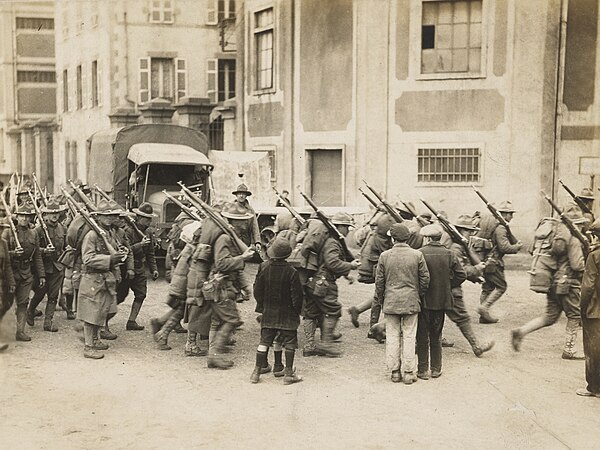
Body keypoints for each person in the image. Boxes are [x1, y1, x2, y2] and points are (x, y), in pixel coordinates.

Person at [511, 207, 587, 359]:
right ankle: (569, 350)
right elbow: (577, 265)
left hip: (552, 282)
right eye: (580, 224)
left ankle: (521, 331)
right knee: (574, 316)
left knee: (549, 317)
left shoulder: (557, 236)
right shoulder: (573, 239)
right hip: (569, 284)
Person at [375, 223, 430, 384]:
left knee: (392, 337)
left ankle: (394, 372)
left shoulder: (385, 256)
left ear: (393, 238)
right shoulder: (417, 255)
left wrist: (381, 299)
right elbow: (425, 279)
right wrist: (417, 294)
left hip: (391, 302)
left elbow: (379, 282)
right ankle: (408, 372)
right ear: (407, 237)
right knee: (409, 336)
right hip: (411, 301)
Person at [302, 212, 359, 358]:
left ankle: (309, 346)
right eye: (347, 227)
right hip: (325, 282)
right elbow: (332, 263)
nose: (348, 231)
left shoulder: (328, 239)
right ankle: (326, 344)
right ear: (340, 227)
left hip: (314, 280)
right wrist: (350, 266)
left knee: (312, 311)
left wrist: (346, 274)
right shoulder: (333, 242)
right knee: (333, 309)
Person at [250, 237, 304, 384]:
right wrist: (296, 311)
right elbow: (297, 296)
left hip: (269, 313)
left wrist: (263, 306)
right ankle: (288, 374)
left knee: (264, 342)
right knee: (290, 342)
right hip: (287, 315)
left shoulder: (264, 267)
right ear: (287, 254)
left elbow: (257, 290)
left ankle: (256, 372)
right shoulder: (292, 271)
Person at [77, 200, 126, 359]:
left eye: (112, 216)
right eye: (107, 216)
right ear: (98, 217)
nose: (111, 219)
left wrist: (117, 261)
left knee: (103, 310)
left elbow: (115, 251)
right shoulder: (92, 235)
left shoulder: (109, 233)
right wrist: (110, 259)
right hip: (92, 278)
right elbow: (88, 259)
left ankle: (96, 339)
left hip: (105, 278)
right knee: (91, 313)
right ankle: (88, 346)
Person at [417, 224, 466, 380]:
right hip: (442, 300)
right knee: (436, 335)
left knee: (422, 335)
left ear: (427, 238)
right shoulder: (450, 254)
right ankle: (436, 369)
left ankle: (423, 370)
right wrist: (447, 285)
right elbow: (461, 275)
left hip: (424, 300)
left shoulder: (419, 253)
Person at [446, 215, 494, 357]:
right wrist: (477, 269)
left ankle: (380, 328)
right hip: (451, 289)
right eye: (468, 231)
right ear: (460, 230)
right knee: (462, 318)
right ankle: (476, 346)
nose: (471, 234)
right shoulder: (456, 247)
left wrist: (474, 277)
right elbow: (460, 270)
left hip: (446, 287)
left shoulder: (458, 245)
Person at [1, 204, 45, 342]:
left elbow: (37, 255)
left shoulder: (34, 233)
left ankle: (20, 331)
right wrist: (14, 253)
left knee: (23, 302)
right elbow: (2, 254)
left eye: (27, 216)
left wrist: (42, 274)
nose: (24, 219)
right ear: (17, 217)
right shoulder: (8, 233)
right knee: (7, 303)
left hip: (26, 273)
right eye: (22, 216)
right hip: (10, 272)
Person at [477, 201, 523, 323]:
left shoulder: (494, 225)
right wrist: (517, 247)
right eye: (510, 214)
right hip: (494, 262)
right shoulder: (501, 228)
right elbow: (504, 247)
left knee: (487, 287)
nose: (512, 217)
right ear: (505, 214)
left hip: (486, 260)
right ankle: (484, 308)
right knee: (502, 286)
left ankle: (484, 317)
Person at [27, 200, 68, 332]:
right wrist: (44, 250)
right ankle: (30, 311)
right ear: (46, 214)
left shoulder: (63, 229)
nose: (54, 215)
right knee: (40, 293)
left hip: (58, 267)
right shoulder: (38, 230)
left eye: (56, 213)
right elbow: (32, 249)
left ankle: (48, 322)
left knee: (53, 295)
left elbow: (66, 247)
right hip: (43, 267)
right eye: (51, 213)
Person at [116, 202, 159, 331]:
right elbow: (126, 251)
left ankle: (131, 321)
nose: (148, 221)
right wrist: (140, 244)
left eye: (149, 218)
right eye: (146, 218)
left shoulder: (149, 232)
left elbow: (150, 252)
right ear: (139, 217)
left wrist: (154, 269)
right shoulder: (128, 231)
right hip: (127, 268)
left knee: (141, 294)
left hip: (140, 267)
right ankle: (103, 321)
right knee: (119, 295)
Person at [577, 218, 600, 397]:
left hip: (595, 310)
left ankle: (594, 388)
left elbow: (588, 286)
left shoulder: (594, 255)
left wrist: (582, 308)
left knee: (593, 349)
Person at [229, 184, 261, 252]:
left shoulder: (250, 210)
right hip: (233, 239)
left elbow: (254, 226)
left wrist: (257, 242)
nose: (241, 196)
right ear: (236, 195)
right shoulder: (230, 208)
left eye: (243, 194)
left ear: (246, 196)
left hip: (246, 240)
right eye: (239, 193)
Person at [0, 220, 16, 351]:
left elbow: (8, 265)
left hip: (1, 281)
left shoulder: (3, 244)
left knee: (6, 304)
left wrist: (11, 282)